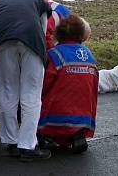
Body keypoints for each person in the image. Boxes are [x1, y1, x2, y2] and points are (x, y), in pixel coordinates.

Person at [0, 0, 52, 161]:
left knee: (7, 92)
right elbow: (43, 31)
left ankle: (11, 142)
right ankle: (27, 146)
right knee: (31, 94)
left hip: (3, 44)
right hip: (32, 43)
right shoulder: (38, 2)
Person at [37, 14, 97, 154]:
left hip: (56, 114)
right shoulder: (89, 54)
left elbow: (44, 84)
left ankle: (45, 135)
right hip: (85, 115)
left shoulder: (54, 54)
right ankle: (76, 134)